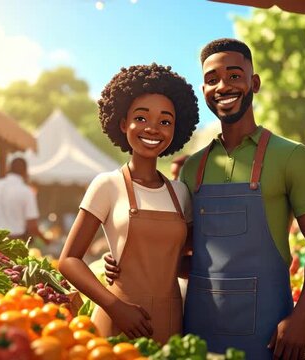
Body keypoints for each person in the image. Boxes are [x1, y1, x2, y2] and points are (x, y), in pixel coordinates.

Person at [105, 39, 305, 359]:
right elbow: (185, 257)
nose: (223, 86)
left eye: (234, 75)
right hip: (198, 330)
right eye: (212, 79)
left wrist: (302, 316)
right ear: (203, 90)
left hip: (268, 330)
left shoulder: (293, 157)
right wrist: (128, 259)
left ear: (254, 83)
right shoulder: (192, 168)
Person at [58, 64, 199, 344]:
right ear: (123, 124)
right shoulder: (106, 185)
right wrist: (115, 307)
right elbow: (68, 260)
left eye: (165, 121)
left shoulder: (181, 193)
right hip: (118, 320)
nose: (153, 129)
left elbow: (184, 263)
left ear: (175, 130)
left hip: (170, 320)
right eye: (141, 118)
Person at [0, 158, 47, 243]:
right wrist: (46, 240)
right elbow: (32, 225)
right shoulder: (26, 191)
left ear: (9, 169)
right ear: (25, 172)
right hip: (13, 242)